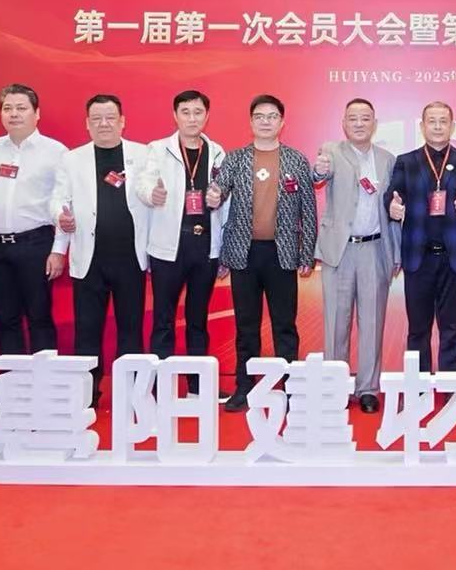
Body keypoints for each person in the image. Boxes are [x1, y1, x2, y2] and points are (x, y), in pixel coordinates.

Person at [0, 85, 68, 412]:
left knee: (39, 319)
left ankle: (45, 394)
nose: (14, 114)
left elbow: (64, 203)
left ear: (37, 113)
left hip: (36, 244)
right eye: (8, 108)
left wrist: (59, 249)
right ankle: (12, 395)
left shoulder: (56, 152)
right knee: (5, 321)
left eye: (21, 108)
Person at [210, 95, 318, 412]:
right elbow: (218, 191)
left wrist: (306, 254)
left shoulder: (296, 160)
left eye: (272, 116)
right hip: (244, 254)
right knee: (246, 326)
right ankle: (244, 387)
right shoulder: (235, 159)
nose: (266, 121)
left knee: (285, 326)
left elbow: (308, 209)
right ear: (251, 121)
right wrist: (213, 196)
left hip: (282, 253)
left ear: (282, 122)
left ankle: (291, 389)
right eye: (260, 116)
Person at [51, 93, 151, 407]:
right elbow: (58, 198)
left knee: (131, 329)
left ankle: (131, 394)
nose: (103, 124)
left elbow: (152, 195)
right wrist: (60, 216)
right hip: (88, 257)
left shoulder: (143, 154)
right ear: (87, 123)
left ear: (122, 121)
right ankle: (87, 394)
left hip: (130, 258)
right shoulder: (72, 159)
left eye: (110, 118)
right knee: (87, 330)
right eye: (96, 119)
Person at [311, 99, 397, 411]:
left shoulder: (387, 159)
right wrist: (318, 171)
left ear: (375, 123)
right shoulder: (331, 152)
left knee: (372, 321)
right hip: (340, 249)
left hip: (375, 248)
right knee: (337, 322)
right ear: (344, 123)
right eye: (353, 118)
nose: (359, 123)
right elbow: (318, 175)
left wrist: (396, 251)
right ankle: (335, 387)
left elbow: (394, 204)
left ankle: (368, 388)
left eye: (365, 118)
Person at [387, 101, 456, 372]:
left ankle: (450, 382)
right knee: (418, 328)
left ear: (452, 126)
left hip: (455, 258)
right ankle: (418, 384)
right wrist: (392, 205)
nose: (438, 126)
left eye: (443, 121)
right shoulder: (406, 161)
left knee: (452, 327)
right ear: (422, 126)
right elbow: (392, 193)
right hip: (418, 258)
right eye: (432, 121)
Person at [136, 89, 227, 371]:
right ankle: (161, 383)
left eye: (198, 112)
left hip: (205, 246)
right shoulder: (157, 149)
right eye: (185, 112)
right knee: (163, 319)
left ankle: (198, 385)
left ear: (207, 116)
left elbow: (227, 196)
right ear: (175, 115)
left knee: (198, 320)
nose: (192, 118)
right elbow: (143, 183)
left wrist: (220, 197)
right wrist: (152, 194)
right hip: (169, 247)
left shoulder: (217, 152)